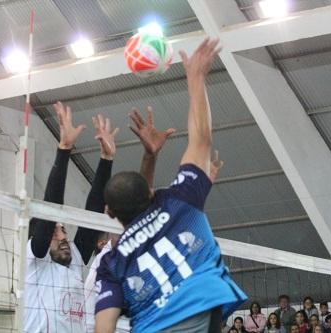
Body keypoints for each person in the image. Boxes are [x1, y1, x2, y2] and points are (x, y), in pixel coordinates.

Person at [94, 38, 247, 333]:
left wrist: (150, 157)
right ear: (151, 193)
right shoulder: (180, 200)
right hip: (202, 304)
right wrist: (195, 79)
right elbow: (201, 139)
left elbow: (104, 328)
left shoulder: (111, 263)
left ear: (110, 212)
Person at [24, 102, 119, 332]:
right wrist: (64, 149)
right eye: (55, 232)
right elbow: (51, 210)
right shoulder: (37, 262)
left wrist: (106, 160)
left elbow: (91, 215)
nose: (63, 236)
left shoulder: (74, 259)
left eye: (63, 229)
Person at [83, 107, 175, 333]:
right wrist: (149, 155)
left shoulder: (136, 258)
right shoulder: (104, 259)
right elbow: (138, 198)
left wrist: (149, 156)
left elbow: (138, 200)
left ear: (109, 212)